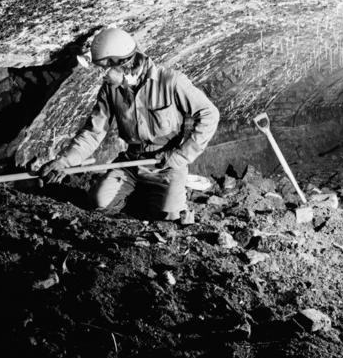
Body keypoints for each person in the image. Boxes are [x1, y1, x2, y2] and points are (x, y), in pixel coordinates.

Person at [37, 26, 220, 222]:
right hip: (131, 163)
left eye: (106, 69)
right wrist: (65, 161)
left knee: (169, 216)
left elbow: (210, 114)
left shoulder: (171, 82)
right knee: (99, 202)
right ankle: (137, 194)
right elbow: (94, 132)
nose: (104, 75)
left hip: (166, 166)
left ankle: (158, 196)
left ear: (124, 63)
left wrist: (181, 156)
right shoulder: (111, 90)